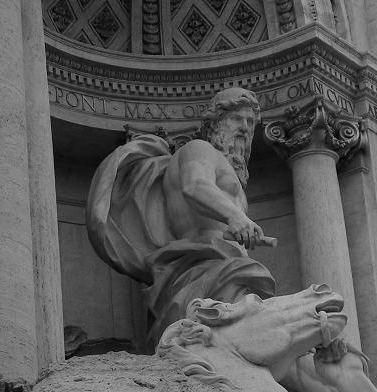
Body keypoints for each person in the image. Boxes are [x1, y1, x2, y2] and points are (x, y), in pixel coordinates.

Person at [86, 87, 276, 348]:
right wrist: (236, 217)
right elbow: (195, 185)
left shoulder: (233, 175)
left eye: (250, 122)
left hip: (229, 267)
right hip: (205, 269)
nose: (244, 127)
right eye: (236, 119)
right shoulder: (200, 150)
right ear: (214, 123)